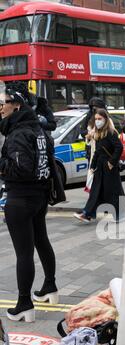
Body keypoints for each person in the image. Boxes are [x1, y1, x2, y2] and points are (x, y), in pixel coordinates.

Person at [0, 87, 58, 322]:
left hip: (20, 199)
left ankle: (24, 304)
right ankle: (50, 287)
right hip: (38, 197)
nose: (1, 107)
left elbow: (21, 168)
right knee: (40, 241)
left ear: (17, 106)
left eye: (4, 102)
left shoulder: (19, 133)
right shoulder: (38, 129)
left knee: (24, 253)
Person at [73, 108, 125, 223]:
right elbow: (97, 151)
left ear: (105, 119)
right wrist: (92, 166)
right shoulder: (98, 133)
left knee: (113, 190)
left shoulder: (110, 133)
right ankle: (88, 213)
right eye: (96, 119)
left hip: (109, 167)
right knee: (96, 190)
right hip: (100, 167)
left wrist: (111, 162)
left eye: (100, 119)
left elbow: (119, 147)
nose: (97, 121)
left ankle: (120, 213)